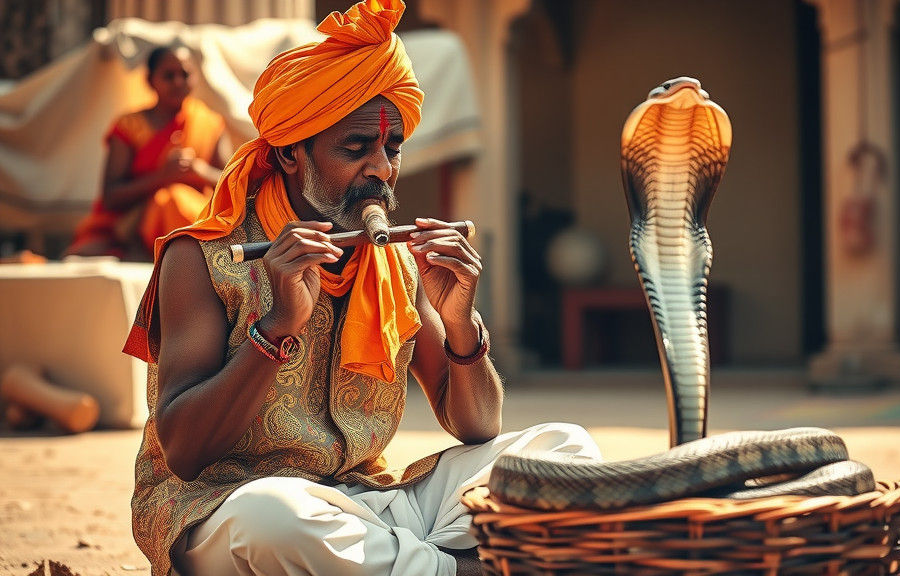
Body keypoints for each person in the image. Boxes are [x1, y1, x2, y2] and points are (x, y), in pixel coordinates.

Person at [124, 2, 600, 575]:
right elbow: (184, 450)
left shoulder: (393, 262)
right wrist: (274, 331)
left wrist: (460, 326)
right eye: (356, 149)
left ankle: (411, 564)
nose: (381, 169)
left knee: (563, 450)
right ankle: (460, 568)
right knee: (274, 519)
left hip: (367, 505)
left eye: (392, 148)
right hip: (227, 508)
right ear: (291, 152)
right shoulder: (202, 256)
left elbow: (478, 428)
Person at [65, 46, 228, 261]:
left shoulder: (210, 123)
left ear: (195, 78)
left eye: (185, 74)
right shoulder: (130, 126)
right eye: (169, 76)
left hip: (200, 220)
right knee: (169, 199)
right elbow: (111, 197)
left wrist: (198, 170)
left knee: (174, 199)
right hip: (133, 225)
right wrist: (163, 177)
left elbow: (232, 184)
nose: (178, 82)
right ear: (150, 80)